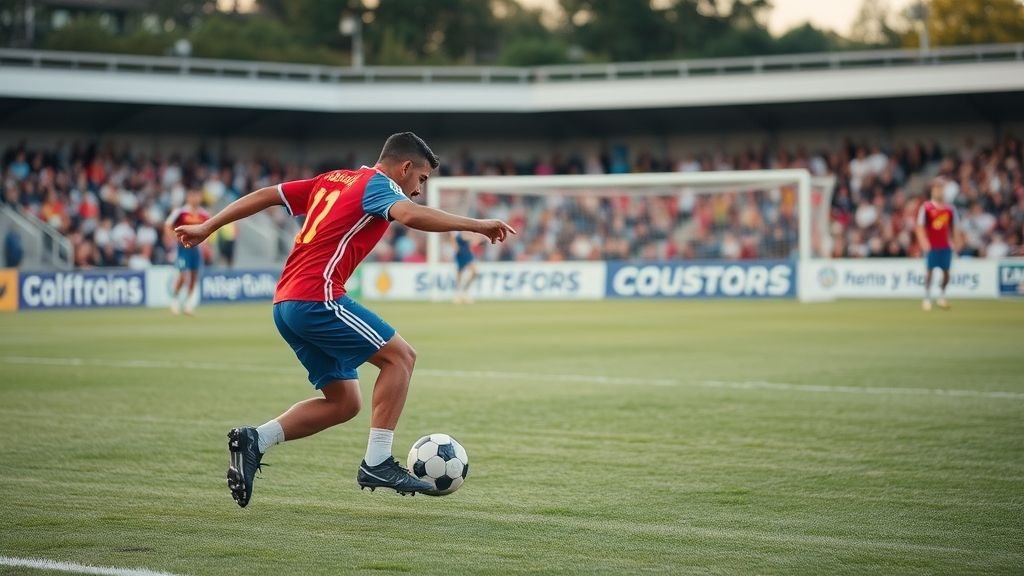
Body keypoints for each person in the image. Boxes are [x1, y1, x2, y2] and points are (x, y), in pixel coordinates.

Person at [174, 133, 515, 507]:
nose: (418, 190)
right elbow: (410, 215)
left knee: (344, 402)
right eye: (421, 179)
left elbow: (266, 194)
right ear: (404, 168)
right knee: (401, 357)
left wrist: (208, 227)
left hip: (285, 304)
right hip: (316, 297)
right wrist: (476, 224)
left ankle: (256, 439)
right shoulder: (380, 186)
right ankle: (377, 462)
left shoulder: (334, 179)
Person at [915, 177, 963, 311]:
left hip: (945, 246)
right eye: (936, 188)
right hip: (932, 245)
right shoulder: (926, 207)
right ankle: (926, 297)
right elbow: (919, 226)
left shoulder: (950, 209)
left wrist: (957, 242)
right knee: (929, 272)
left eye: (941, 188)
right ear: (932, 190)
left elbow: (955, 227)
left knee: (946, 273)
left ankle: (941, 295)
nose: (939, 191)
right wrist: (923, 242)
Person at [165, 188, 209, 315]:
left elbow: (209, 228)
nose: (195, 198)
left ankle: (188, 304)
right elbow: (167, 225)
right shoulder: (180, 212)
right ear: (188, 197)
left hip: (196, 249)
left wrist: (206, 243)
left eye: (197, 196)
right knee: (184, 274)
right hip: (182, 248)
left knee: (194, 275)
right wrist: (173, 238)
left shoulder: (204, 214)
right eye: (192, 195)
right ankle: (174, 300)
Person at [451, 231, 477, 303]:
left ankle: (465, 291)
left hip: (467, 254)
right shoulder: (456, 232)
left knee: (474, 272)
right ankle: (458, 294)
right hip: (460, 254)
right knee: (459, 275)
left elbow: (473, 242)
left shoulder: (468, 230)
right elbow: (453, 241)